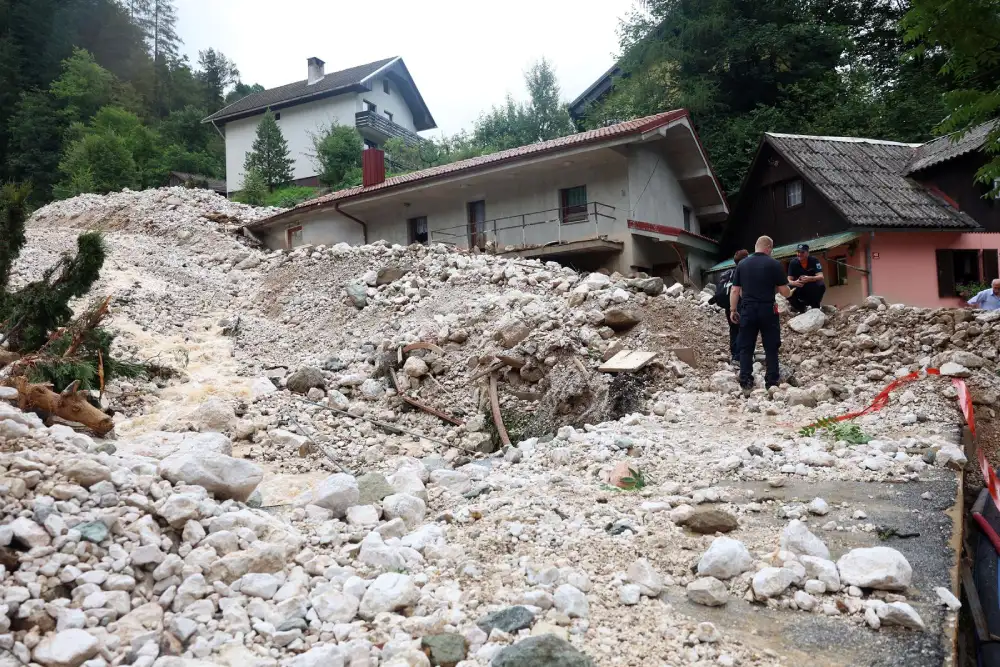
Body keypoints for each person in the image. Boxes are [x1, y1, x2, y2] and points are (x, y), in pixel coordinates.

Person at [730, 236, 791, 392]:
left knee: (746, 346)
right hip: (768, 310)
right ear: (768, 248)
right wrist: (789, 292)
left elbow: (735, 290)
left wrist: (733, 309)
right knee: (771, 346)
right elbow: (784, 291)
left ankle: (746, 382)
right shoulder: (774, 264)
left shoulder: (742, 264)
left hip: (748, 310)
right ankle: (771, 383)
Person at [709, 249, 750, 362]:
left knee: (734, 329)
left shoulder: (729, 272)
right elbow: (738, 290)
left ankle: (735, 354)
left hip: (728, 305)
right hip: (740, 304)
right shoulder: (745, 272)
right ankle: (740, 355)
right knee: (743, 329)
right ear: (746, 259)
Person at [787, 244, 826, 313]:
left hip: (811, 286)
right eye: (798, 252)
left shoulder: (814, 260)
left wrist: (809, 278)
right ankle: (800, 308)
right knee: (788, 288)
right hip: (799, 287)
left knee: (821, 284)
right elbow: (788, 280)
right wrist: (795, 282)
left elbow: (821, 276)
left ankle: (815, 306)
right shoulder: (793, 263)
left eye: (802, 252)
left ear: (808, 253)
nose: (799, 254)